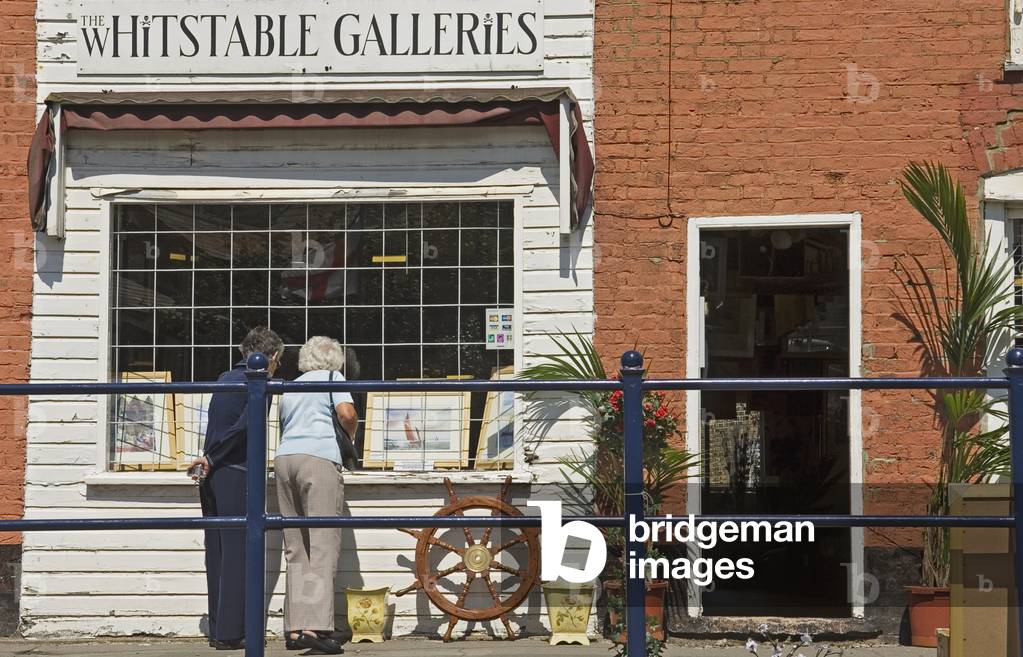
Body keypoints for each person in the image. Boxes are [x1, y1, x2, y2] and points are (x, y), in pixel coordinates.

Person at [189, 327, 284, 651]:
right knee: (237, 553)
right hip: (235, 471)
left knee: (215, 552)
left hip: (212, 474)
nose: (278, 367)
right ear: (269, 358)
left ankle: (219, 628)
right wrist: (213, 457)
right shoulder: (260, 382)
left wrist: (207, 459)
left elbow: (217, 424)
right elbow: (244, 426)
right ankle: (231, 632)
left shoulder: (224, 377)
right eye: (279, 360)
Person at [275, 336, 358, 654]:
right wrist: (349, 441)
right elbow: (347, 414)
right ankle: (317, 627)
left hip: (285, 460)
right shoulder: (333, 378)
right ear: (334, 361)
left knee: (296, 548)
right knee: (322, 545)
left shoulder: (290, 386)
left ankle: (295, 628)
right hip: (318, 459)